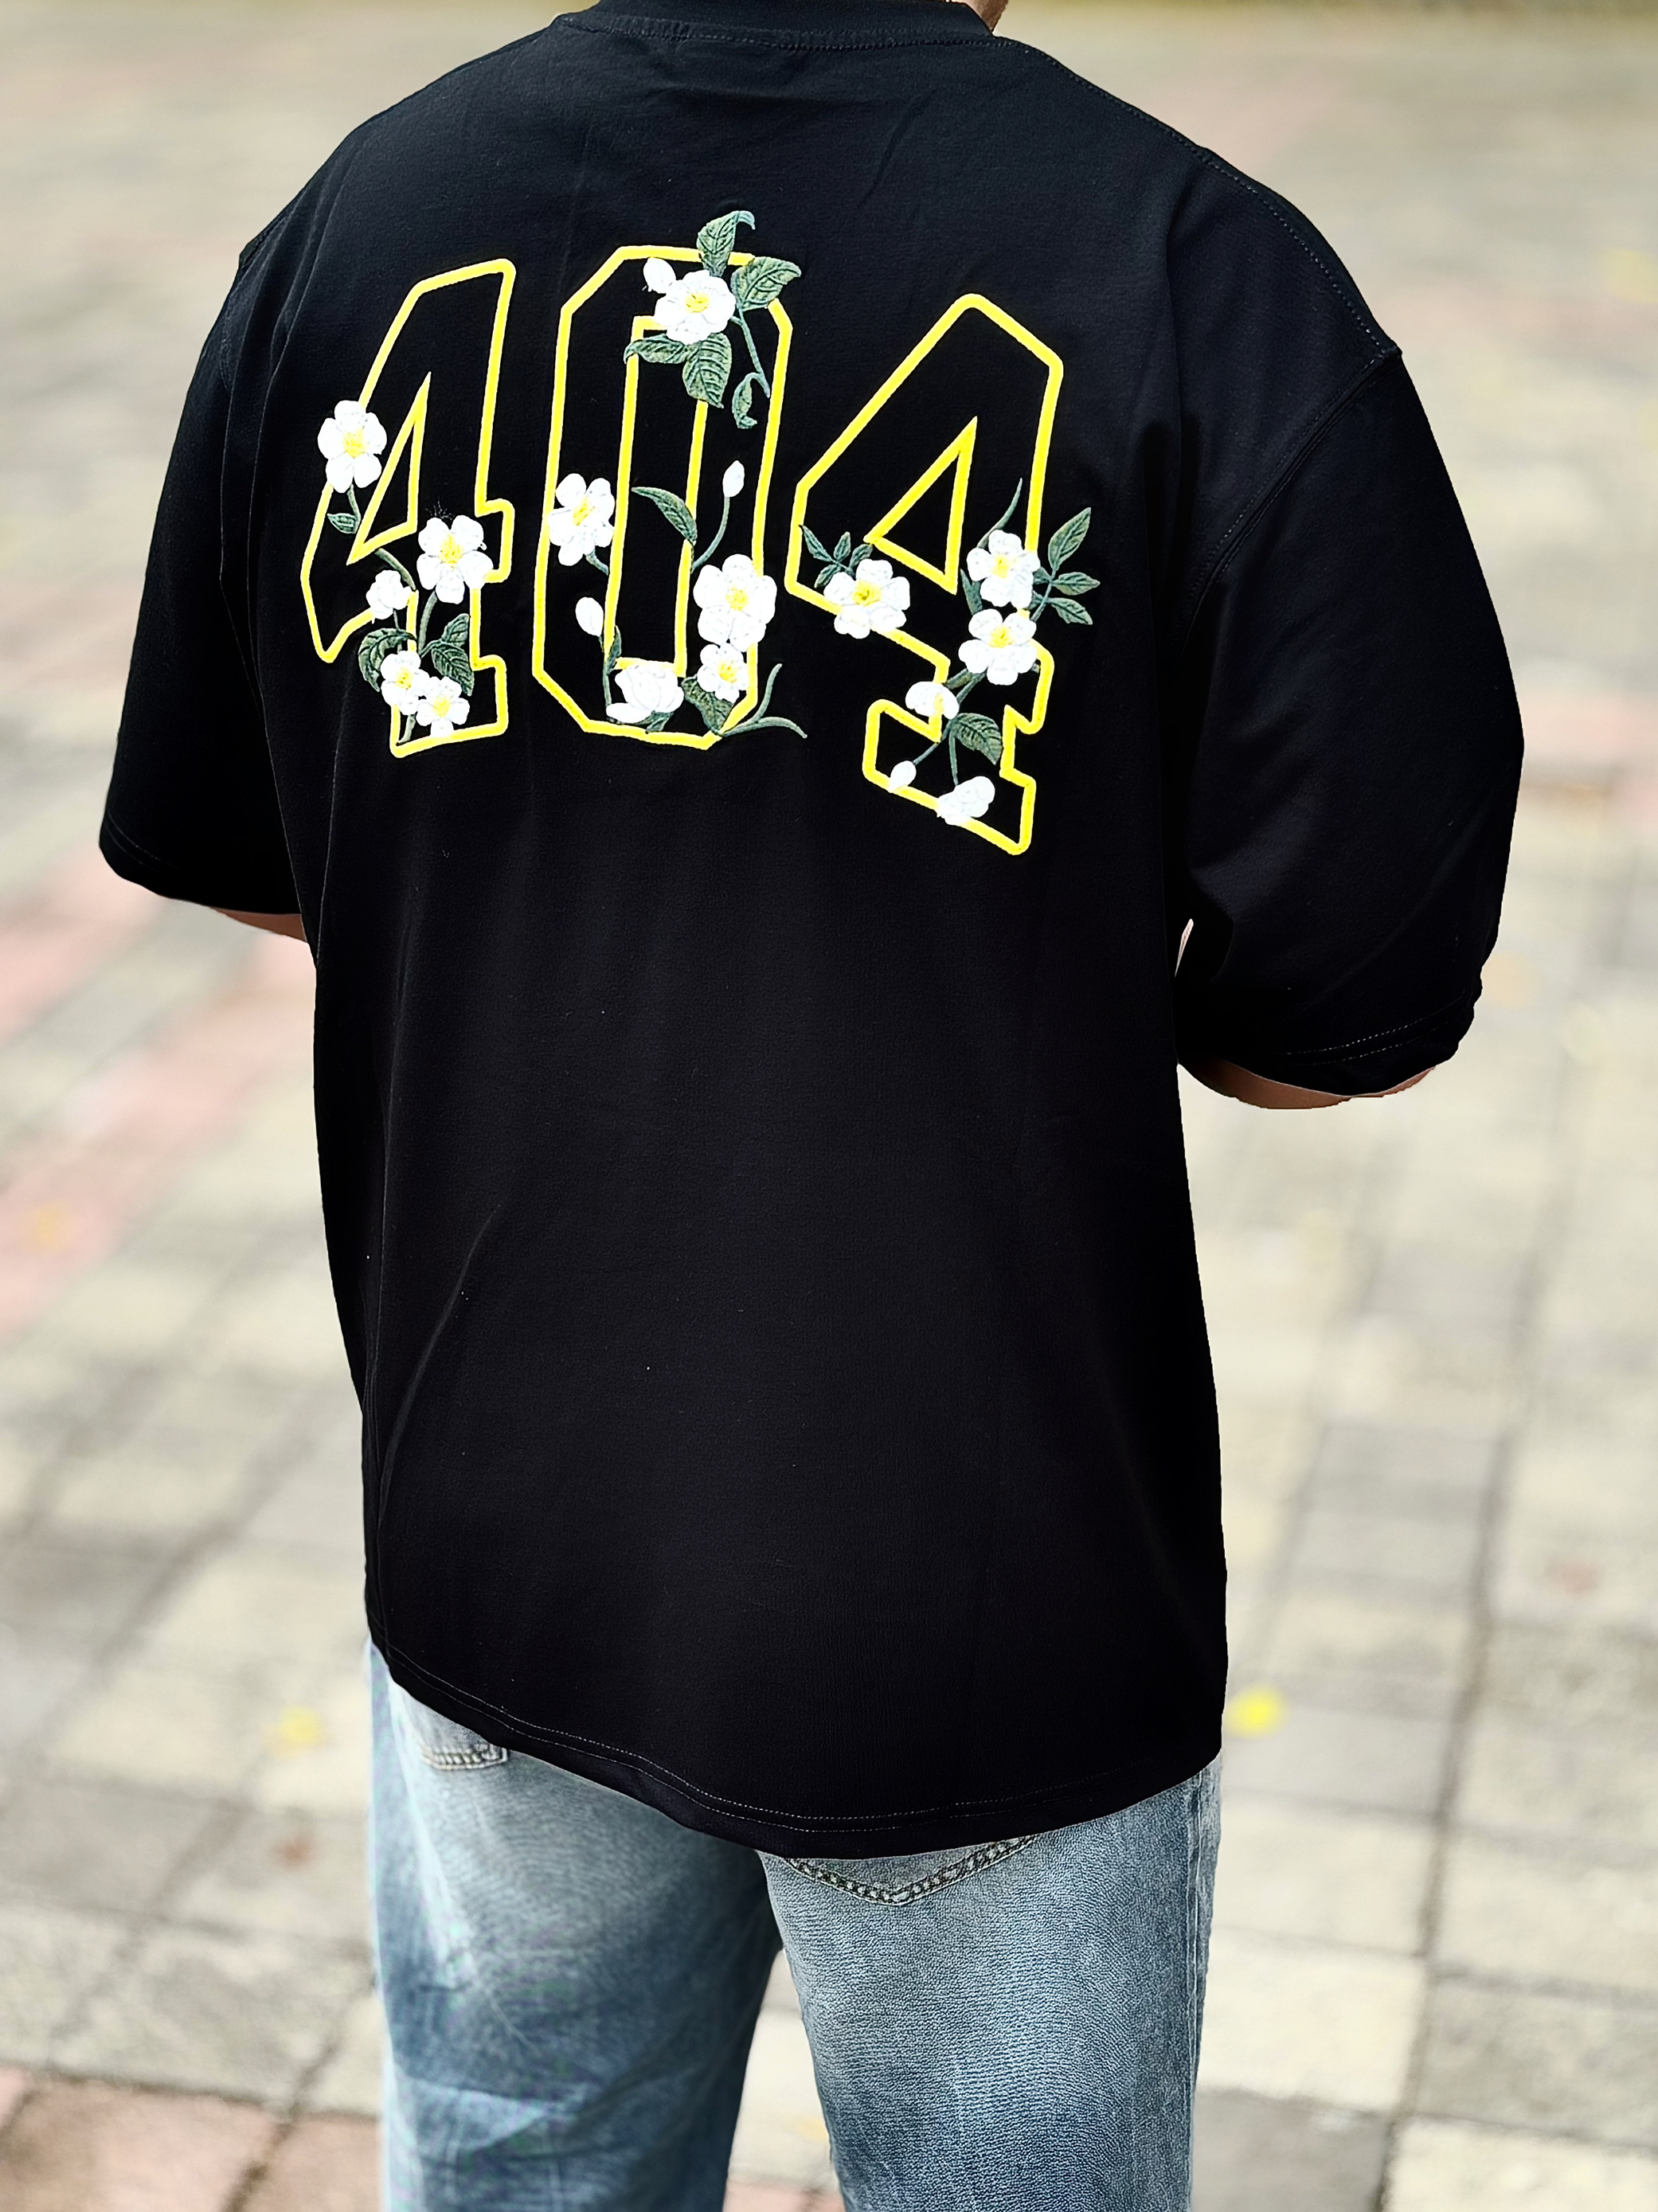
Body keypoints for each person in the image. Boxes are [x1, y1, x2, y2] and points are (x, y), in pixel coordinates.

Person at [100, 0, 1521, 2202]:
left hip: (497, 1517)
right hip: (978, 1587)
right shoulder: (1196, 274)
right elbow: (1336, 1012)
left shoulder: (358, 231)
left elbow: (273, 855)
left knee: (521, 2166)